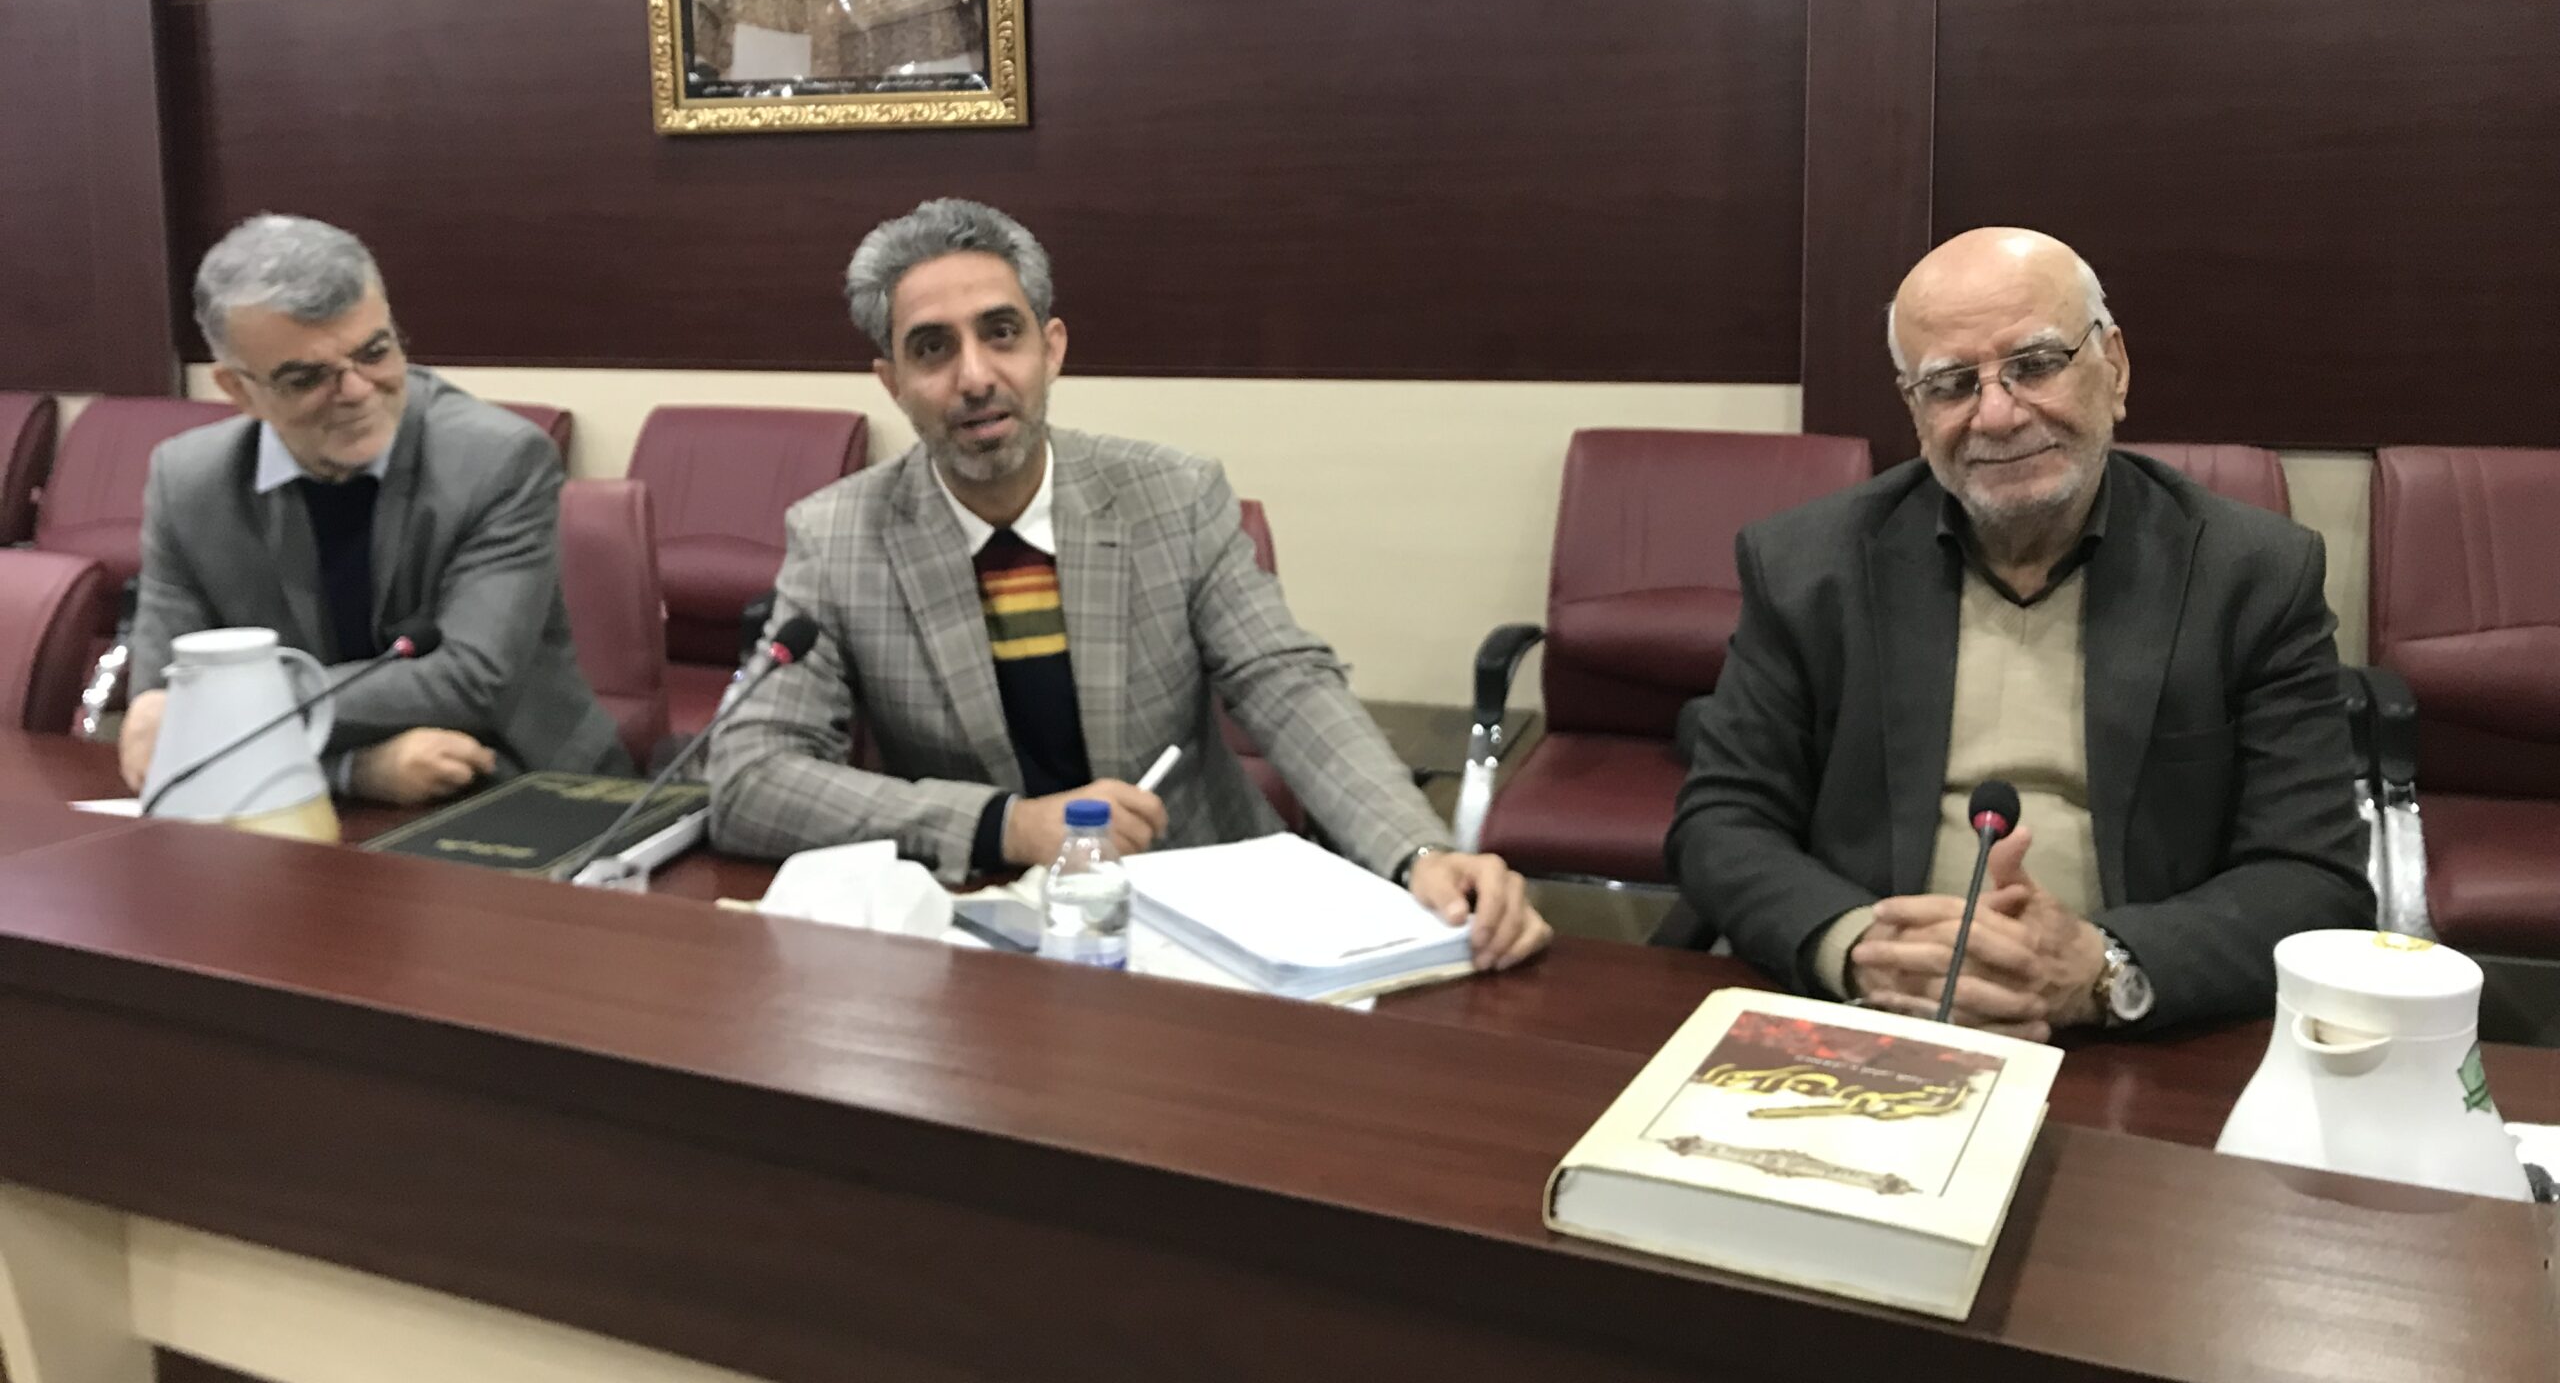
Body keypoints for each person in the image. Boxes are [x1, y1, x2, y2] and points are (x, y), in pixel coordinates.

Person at [708, 198, 1551, 970]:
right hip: (979, 930)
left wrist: (1419, 852)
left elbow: (1287, 684)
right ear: (892, 382)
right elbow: (748, 780)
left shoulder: (1173, 497)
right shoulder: (837, 537)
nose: (974, 377)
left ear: (1051, 349)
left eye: (1001, 333)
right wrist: (1008, 825)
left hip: (1206, 916)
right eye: (933, 348)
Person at [1669, 226, 2371, 1035]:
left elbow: (2312, 876)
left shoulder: (2250, 576)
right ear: (1914, 409)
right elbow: (1721, 820)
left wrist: (2105, 967)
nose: (1997, 415)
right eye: (1951, 384)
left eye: (2035, 365)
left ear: (2114, 368)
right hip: (1875, 1019)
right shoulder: (1807, 565)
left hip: (2135, 1038)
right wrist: (1859, 948)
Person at [121, 214, 626, 804]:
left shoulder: (497, 460)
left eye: (374, 352)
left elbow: (470, 682)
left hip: (520, 782)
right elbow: (163, 715)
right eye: (306, 377)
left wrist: (224, 707)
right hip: (290, 792)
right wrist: (354, 770)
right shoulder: (189, 483)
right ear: (239, 390)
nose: (357, 391)